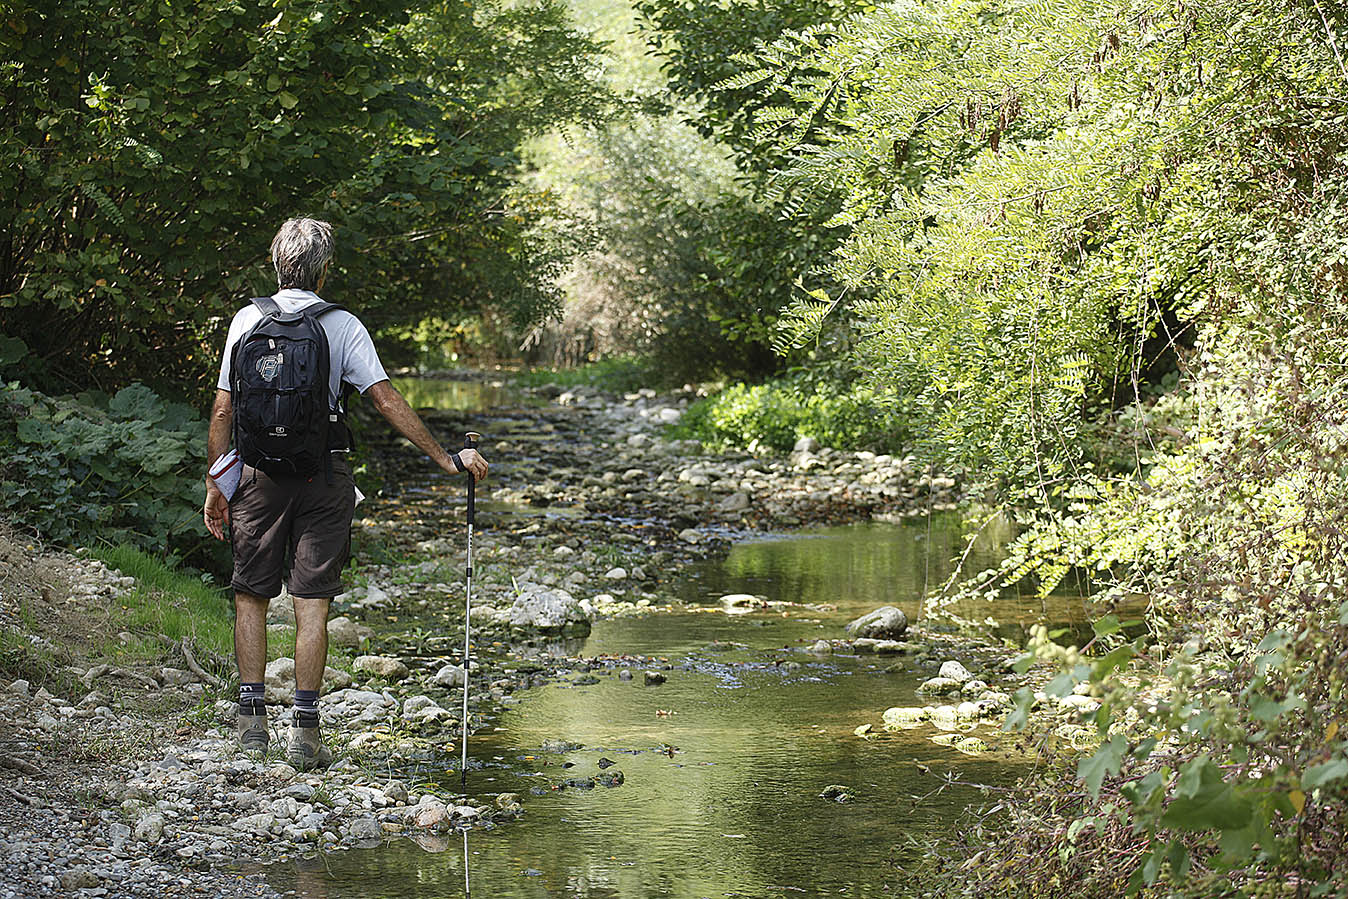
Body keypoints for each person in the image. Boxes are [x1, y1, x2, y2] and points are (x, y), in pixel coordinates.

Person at [202, 217, 487, 770]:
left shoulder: (245, 320)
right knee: (311, 603)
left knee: (250, 595)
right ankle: (305, 733)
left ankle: (250, 722)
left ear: (276, 262)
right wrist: (443, 457)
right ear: (325, 269)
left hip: (257, 477)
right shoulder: (342, 326)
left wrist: (219, 483)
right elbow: (383, 399)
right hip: (324, 478)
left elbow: (223, 408)